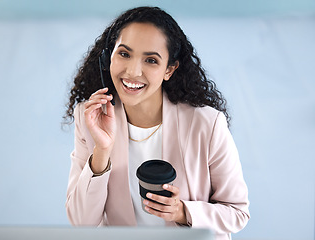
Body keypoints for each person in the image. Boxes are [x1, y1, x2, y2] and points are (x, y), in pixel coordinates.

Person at [64, 6, 250, 240]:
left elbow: (237, 213)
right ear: (107, 57)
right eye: (124, 54)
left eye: (151, 60)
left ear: (169, 70)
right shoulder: (91, 117)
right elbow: (82, 223)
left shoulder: (207, 124)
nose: (132, 71)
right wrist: (102, 151)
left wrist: (183, 212)